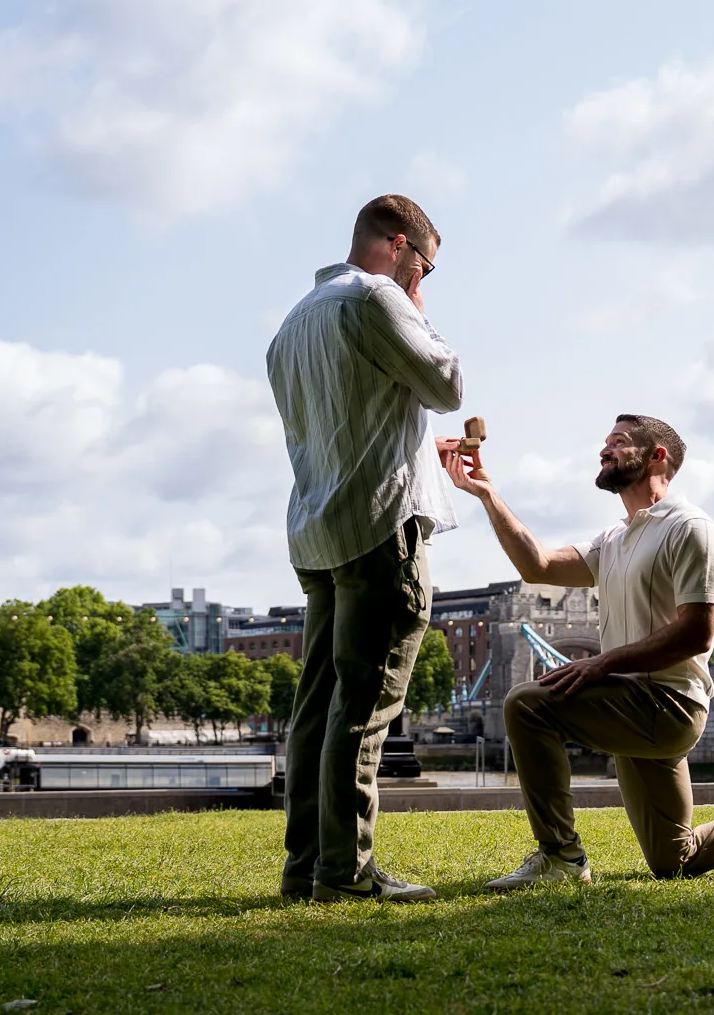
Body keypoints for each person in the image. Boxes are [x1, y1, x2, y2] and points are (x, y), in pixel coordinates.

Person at [442, 414, 714, 886]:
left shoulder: (690, 528)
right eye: (605, 442)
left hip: (667, 704)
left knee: (528, 705)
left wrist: (602, 664)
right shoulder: (614, 539)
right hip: (632, 702)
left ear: (658, 457)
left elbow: (697, 633)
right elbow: (538, 564)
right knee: (673, 859)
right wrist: (489, 495)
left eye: (618, 442)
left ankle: (561, 857)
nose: (604, 450)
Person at [267, 194, 462, 903]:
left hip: (319, 530)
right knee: (368, 703)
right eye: (427, 266)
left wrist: (413, 445)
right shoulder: (379, 299)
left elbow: (348, 419)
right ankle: (347, 872)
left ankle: (305, 867)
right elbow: (445, 382)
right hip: (383, 526)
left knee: (316, 706)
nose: (424, 281)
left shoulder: (293, 322)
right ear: (398, 243)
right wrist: (417, 306)